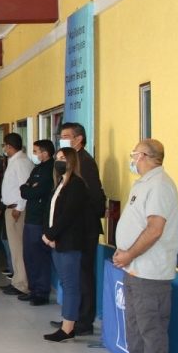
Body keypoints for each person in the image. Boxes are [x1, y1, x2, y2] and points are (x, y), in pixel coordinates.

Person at [107, 139, 178, 353]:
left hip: (150, 271)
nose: (132, 159)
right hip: (133, 267)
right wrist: (123, 252)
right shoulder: (144, 183)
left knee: (152, 328)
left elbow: (154, 229)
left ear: (147, 156)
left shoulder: (160, 186)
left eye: (134, 155)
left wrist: (129, 253)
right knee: (135, 324)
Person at [58, 122, 107, 336]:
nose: (63, 140)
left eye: (67, 136)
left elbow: (95, 197)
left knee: (84, 274)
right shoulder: (71, 161)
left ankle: (84, 320)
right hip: (75, 228)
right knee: (75, 275)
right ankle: (72, 317)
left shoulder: (85, 162)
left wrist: (83, 218)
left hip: (85, 228)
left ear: (79, 139)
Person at [41, 147, 88, 342]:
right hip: (56, 241)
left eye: (63, 158)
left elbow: (67, 215)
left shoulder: (76, 185)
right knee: (65, 283)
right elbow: (50, 211)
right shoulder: (59, 183)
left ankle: (68, 327)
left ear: (71, 161)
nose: (59, 162)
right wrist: (47, 233)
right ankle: (67, 322)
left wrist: (51, 234)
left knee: (70, 285)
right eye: (57, 158)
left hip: (68, 242)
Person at [19, 140, 55, 305]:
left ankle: (41, 292)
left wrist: (29, 189)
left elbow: (37, 191)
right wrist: (28, 188)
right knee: (29, 255)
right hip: (30, 217)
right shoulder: (37, 168)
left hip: (40, 219)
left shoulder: (50, 169)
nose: (34, 154)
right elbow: (24, 189)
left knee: (39, 256)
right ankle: (33, 289)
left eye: (36, 151)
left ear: (45, 152)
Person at [0, 133, 34, 297]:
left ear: (9, 146)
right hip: (11, 208)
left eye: (4, 145)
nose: (4, 149)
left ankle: (22, 283)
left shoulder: (21, 162)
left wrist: (19, 207)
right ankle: (17, 280)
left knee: (18, 247)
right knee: (14, 248)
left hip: (17, 210)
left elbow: (25, 186)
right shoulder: (14, 161)